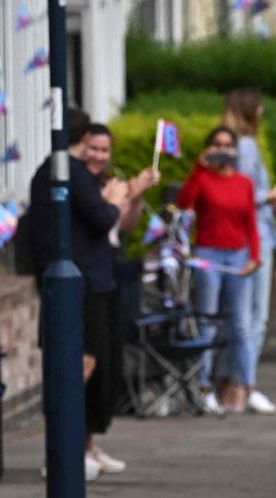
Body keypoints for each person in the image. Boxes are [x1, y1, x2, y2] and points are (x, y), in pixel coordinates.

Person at [29, 107, 128, 481]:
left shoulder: (53, 172)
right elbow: (103, 218)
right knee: (78, 366)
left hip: (77, 280)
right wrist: (117, 199)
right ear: (84, 139)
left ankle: (80, 448)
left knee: (90, 365)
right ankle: (61, 452)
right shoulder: (70, 174)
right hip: (77, 284)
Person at [80, 124, 159, 472]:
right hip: (89, 280)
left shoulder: (106, 182)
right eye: (92, 149)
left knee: (107, 365)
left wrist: (136, 194)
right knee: (88, 363)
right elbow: (102, 219)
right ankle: (75, 449)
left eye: (104, 149)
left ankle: (90, 444)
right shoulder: (84, 188)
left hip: (110, 273)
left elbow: (126, 223)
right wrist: (118, 197)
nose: (99, 156)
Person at [176, 126, 261, 415]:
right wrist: (199, 168)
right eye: (217, 145)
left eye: (228, 145)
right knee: (207, 322)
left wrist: (255, 256)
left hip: (238, 255)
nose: (223, 151)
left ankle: (247, 387)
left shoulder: (244, 182)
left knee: (240, 325)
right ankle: (203, 387)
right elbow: (183, 203)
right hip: (208, 255)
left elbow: (250, 220)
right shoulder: (203, 178)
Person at [222, 88, 276, 415]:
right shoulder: (247, 145)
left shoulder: (231, 143)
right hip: (254, 237)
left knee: (241, 316)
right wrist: (270, 197)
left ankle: (234, 385)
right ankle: (243, 385)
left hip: (240, 235)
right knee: (254, 317)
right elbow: (244, 193)